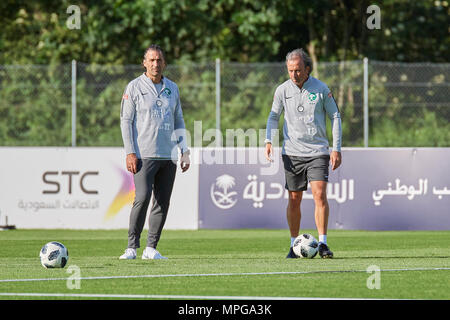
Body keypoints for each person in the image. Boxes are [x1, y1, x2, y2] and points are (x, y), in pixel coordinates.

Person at [264, 48, 342, 259]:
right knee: (294, 199)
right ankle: (293, 244)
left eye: (298, 70)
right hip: (292, 153)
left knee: (319, 195)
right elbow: (273, 116)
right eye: (290, 70)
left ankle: (323, 243)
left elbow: (335, 116)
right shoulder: (282, 90)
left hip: (318, 151)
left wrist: (336, 148)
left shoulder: (321, 89)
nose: (294, 74)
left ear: (307, 69)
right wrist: (269, 140)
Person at [119, 44, 190, 260]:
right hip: (143, 154)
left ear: (164, 63)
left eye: (159, 60)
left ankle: (151, 248)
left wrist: (184, 150)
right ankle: (132, 247)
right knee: (141, 197)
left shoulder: (173, 88)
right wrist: (130, 152)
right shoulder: (134, 87)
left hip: (168, 155)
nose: (155, 64)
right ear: (144, 63)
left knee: (162, 201)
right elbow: (126, 121)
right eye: (151, 60)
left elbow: (178, 118)